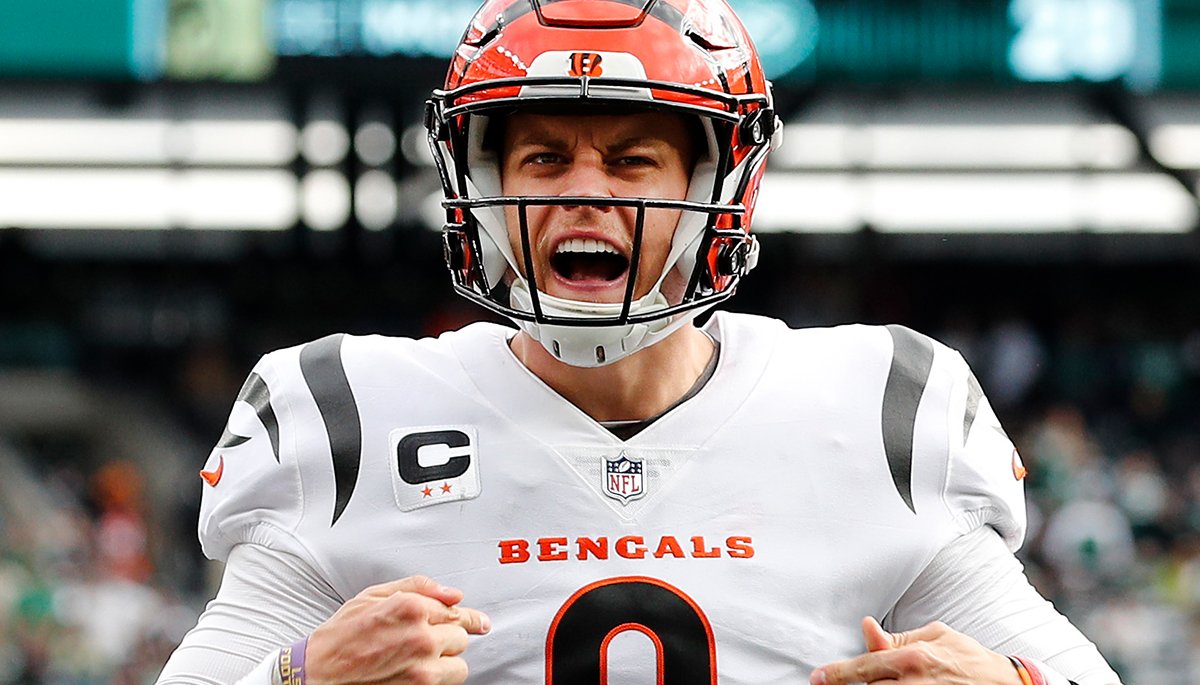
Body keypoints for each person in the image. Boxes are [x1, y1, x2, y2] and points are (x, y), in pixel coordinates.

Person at [156, 0, 1123, 683]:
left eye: (631, 159)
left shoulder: (879, 407)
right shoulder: (346, 412)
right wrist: (294, 677)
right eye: (543, 156)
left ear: (715, 190)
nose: (586, 191)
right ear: (479, 186)